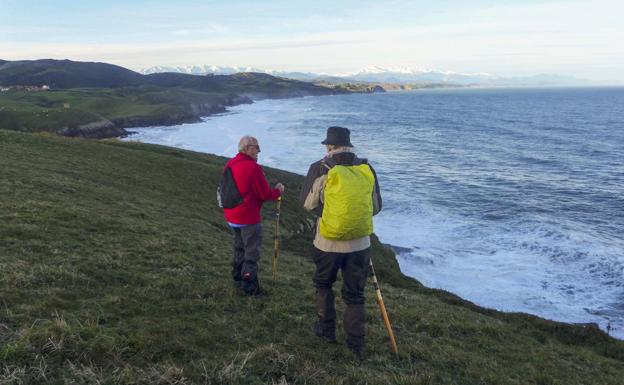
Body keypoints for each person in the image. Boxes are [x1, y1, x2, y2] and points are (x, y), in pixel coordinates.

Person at [300, 126, 382, 360]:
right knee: (355, 294)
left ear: (329, 146)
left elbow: (306, 204)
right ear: (349, 145)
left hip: (327, 243)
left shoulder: (320, 167)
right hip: (359, 244)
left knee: (323, 284)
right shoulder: (366, 168)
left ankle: (326, 331)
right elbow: (375, 208)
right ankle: (356, 343)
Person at [223, 136, 284, 296]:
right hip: (247, 217)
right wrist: (278, 191)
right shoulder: (252, 168)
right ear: (247, 148)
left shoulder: (230, 163)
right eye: (256, 147)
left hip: (232, 215)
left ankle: (237, 278)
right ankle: (250, 289)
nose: (259, 151)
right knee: (251, 252)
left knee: (239, 247)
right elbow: (265, 194)